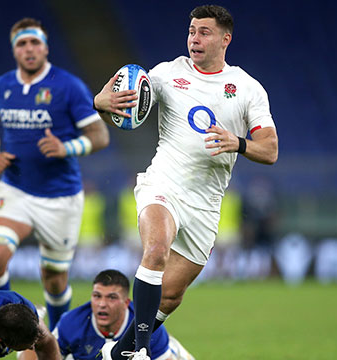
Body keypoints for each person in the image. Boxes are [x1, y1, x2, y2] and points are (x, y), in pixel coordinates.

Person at [93, 5, 278, 360]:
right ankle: (142, 353)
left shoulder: (246, 88)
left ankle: (117, 353)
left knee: (171, 295)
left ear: (226, 39)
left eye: (204, 32)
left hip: (206, 202)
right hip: (164, 182)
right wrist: (101, 100)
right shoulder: (165, 74)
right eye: (192, 31)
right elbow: (118, 85)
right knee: (156, 249)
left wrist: (237, 143)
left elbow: (270, 150)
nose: (195, 38)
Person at [0, 17, 110, 331]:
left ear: (46, 47)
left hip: (60, 197)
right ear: (14, 50)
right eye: (22, 43)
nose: (29, 48)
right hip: (15, 189)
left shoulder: (68, 86)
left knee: (53, 278)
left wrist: (67, 148)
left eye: (34, 42)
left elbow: (100, 135)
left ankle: (59, 340)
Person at [23, 269, 193, 360]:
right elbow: (44, 353)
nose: (102, 304)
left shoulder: (147, 328)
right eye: (97, 296)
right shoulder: (72, 323)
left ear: (126, 303)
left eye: (112, 297)